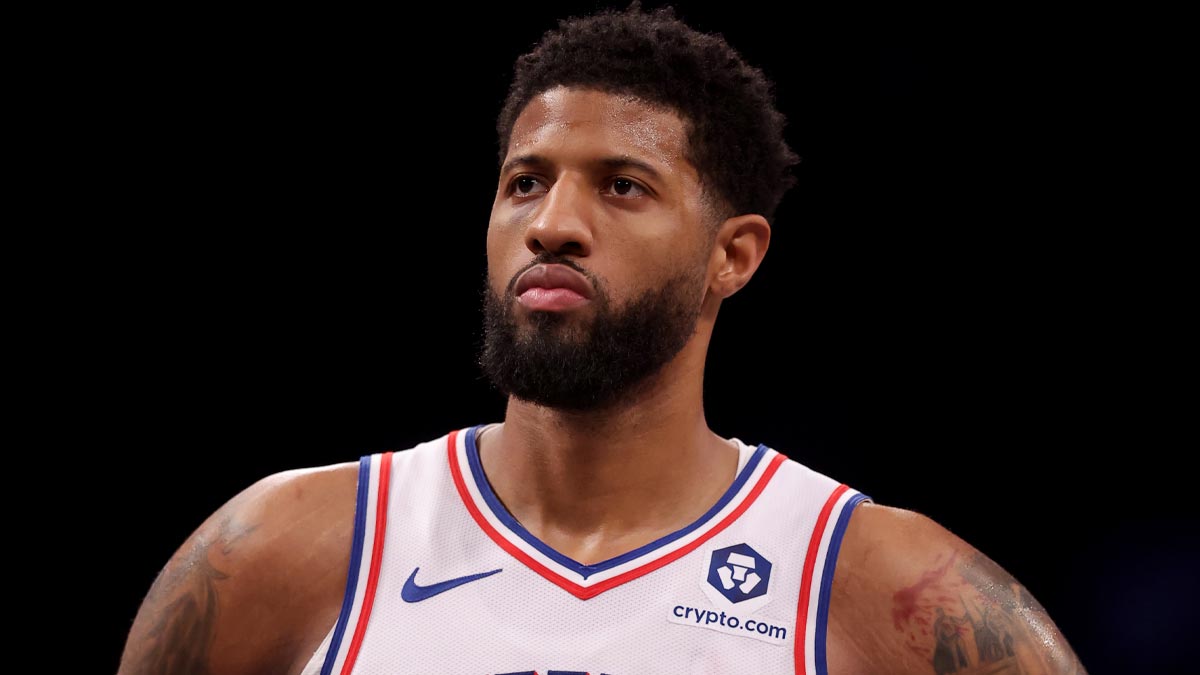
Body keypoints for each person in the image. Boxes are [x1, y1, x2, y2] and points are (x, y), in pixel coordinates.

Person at [118, 4, 1087, 674]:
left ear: (734, 256)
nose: (552, 224)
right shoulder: (285, 550)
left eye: (622, 185)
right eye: (525, 182)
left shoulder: (879, 586)